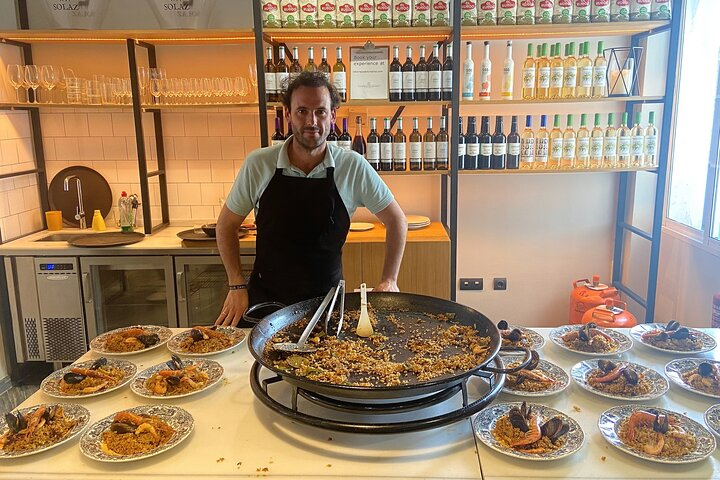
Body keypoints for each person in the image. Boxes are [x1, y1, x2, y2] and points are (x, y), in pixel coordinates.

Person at [215, 72, 407, 327]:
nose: (312, 121)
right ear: (287, 114)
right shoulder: (258, 163)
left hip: (326, 307)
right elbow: (226, 225)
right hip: (265, 304)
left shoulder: (352, 166)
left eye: (320, 111)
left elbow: (397, 221)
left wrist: (389, 280)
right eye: (302, 111)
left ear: (333, 115)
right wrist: (236, 285)